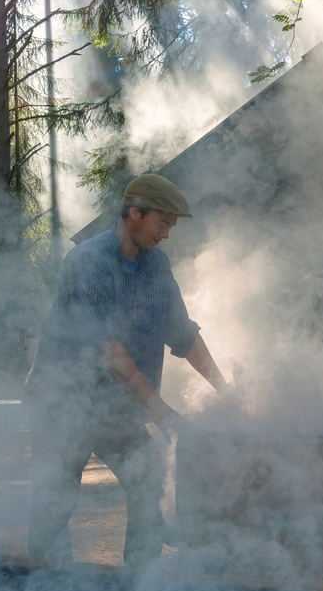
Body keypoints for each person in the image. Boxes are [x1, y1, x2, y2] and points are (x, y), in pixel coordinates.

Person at [24, 174, 231, 568]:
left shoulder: (156, 265)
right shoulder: (89, 261)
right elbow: (110, 351)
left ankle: (140, 584)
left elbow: (183, 334)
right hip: (62, 402)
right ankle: (46, 589)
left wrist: (226, 391)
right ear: (135, 213)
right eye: (162, 223)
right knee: (56, 496)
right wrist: (160, 410)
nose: (166, 234)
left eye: (170, 226)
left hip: (114, 406)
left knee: (147, 479)